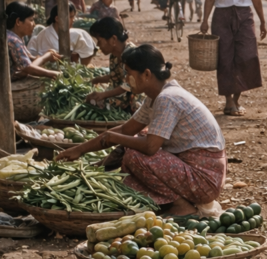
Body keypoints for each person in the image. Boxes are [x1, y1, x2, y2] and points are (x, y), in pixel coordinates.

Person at [57, 45, 226, 216]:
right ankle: (174, 200)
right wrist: (79, 150)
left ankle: (180, 205)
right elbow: (125, 129)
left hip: (204, 179)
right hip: (195, 172)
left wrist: (113, 138)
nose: (126, 78)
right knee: (135, 141)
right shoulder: (154, 98)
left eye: (129, 73)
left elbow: (150, 147)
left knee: (134, 155)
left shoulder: (168, 99)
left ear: (146, 74)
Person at [199, 0, 267, 117]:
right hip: (222, 17)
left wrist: (262, 21)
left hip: (245, 17)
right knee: (225, 58)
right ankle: (229, 101)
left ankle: (237, 99)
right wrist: (204, 20)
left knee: (247, 56)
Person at [0, 2, 61, 124]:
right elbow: (28, 67)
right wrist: (51, 73)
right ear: (18, 22)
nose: (34, 24)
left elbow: (28, 59)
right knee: (39, 81)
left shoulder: (14, 37)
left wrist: (47, 57)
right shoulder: (12, 40)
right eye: (31, 20)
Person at [87, 17, 138, 113]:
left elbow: (128, 85)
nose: (98, 45)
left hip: (135, 102)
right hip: (124, 101)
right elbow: (115, 76)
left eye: (99, 40)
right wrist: (96, 80)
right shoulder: (114, 56)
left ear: (113, 39)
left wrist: (103, 95)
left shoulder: (131, 54)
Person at [28, 2, 96, 64]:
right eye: (71, 17)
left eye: (73, 16)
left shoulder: (76, 34)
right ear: (57, 19)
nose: (74, 19)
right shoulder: (46, 35)